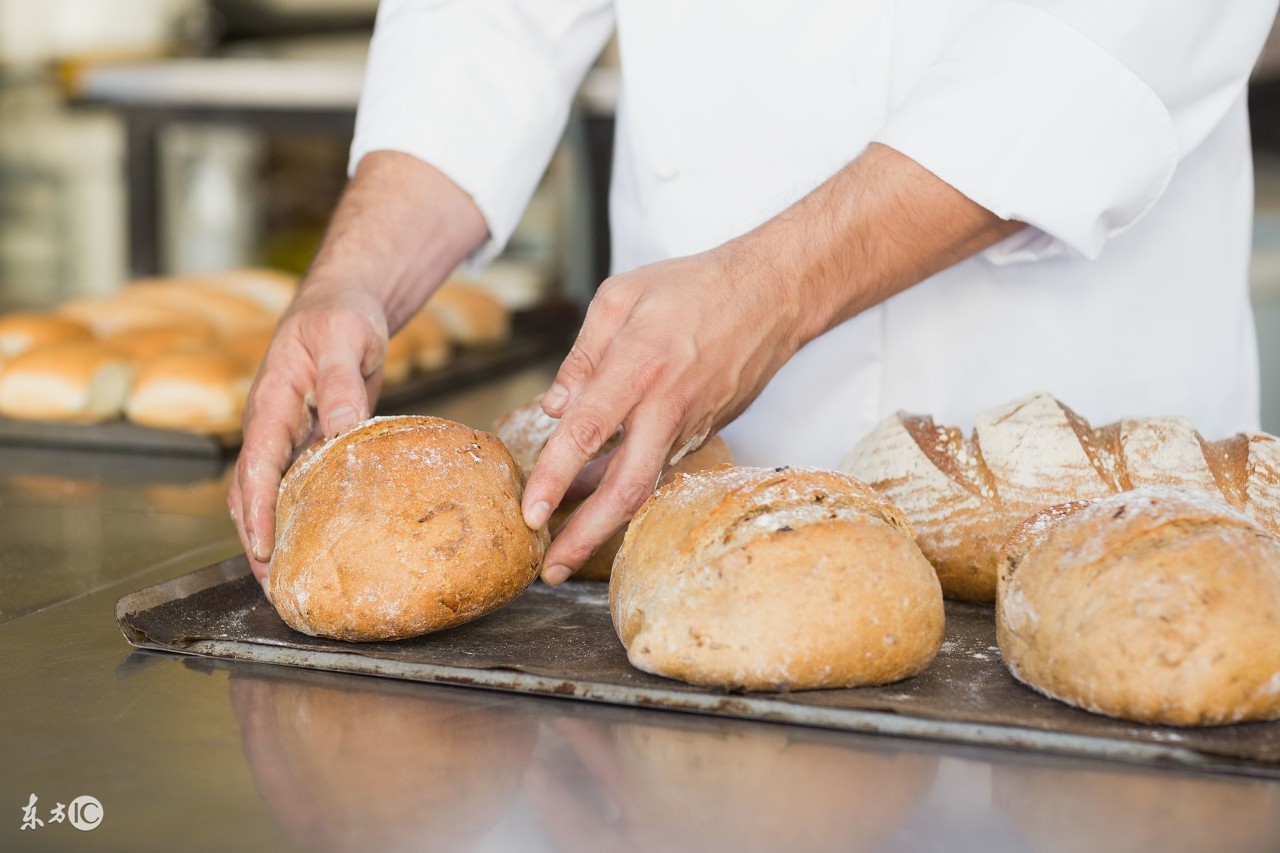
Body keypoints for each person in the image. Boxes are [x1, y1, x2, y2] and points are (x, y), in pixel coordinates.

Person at [229, 1, 1280, 589]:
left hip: (1094, 491)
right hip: (688, 505)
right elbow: (489, 24)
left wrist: (766, 290)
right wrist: (354, 276)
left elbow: (1112, 39)